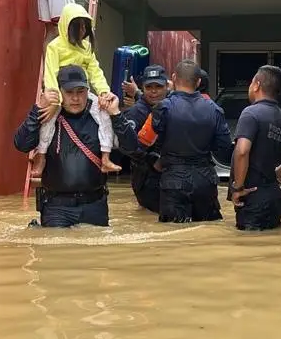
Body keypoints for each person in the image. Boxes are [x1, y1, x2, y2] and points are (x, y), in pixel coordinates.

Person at [13, 66, 138, 228]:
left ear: (88, 91)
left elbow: (132, 147)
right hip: (56, 208)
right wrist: (37, 109)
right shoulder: (48, 118)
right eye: (69, 92)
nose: (76, 98)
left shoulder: (101, 116)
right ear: (59, 92)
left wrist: (116, 114)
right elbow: (21, 144)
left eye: (80, 91)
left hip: (94, 206)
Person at [31, 3, 121, 177]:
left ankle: (106, 156)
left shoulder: (86, 47)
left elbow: (95, 71)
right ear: (66, 26)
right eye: (77, 27)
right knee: (47, 118)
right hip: (60, 91)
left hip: (82, 91)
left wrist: (103, 92)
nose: (81, 31)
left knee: (104, 113)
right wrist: (54, 100)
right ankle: (41, 155)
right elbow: (50, 74)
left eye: (84, 27)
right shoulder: (54, 47)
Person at [138, 60, 234, 223]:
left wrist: (154, 160)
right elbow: (224, 147)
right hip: (205, 180)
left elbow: (142, 143)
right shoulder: (214, 110)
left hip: (173, 181)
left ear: (174, 78)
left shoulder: (162, 108)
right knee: (207, 234)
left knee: (174, 238)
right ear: (198, 82)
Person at [227, 65, 281, 231]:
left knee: (248, 251)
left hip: (251, 198)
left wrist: (238, 188)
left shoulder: (250, 113)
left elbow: (242, 151)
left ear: (256, 85)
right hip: (274, 198)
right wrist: (277, 172)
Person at [123, 65, 170, 213]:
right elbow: (127, 147)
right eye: (149, 87)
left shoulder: (174, 107)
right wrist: (152, 159)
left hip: (173, 177)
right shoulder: (134, 113)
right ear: (143, 87)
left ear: (166, 87)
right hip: (146, 179)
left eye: (158, 86)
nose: (154, 91)